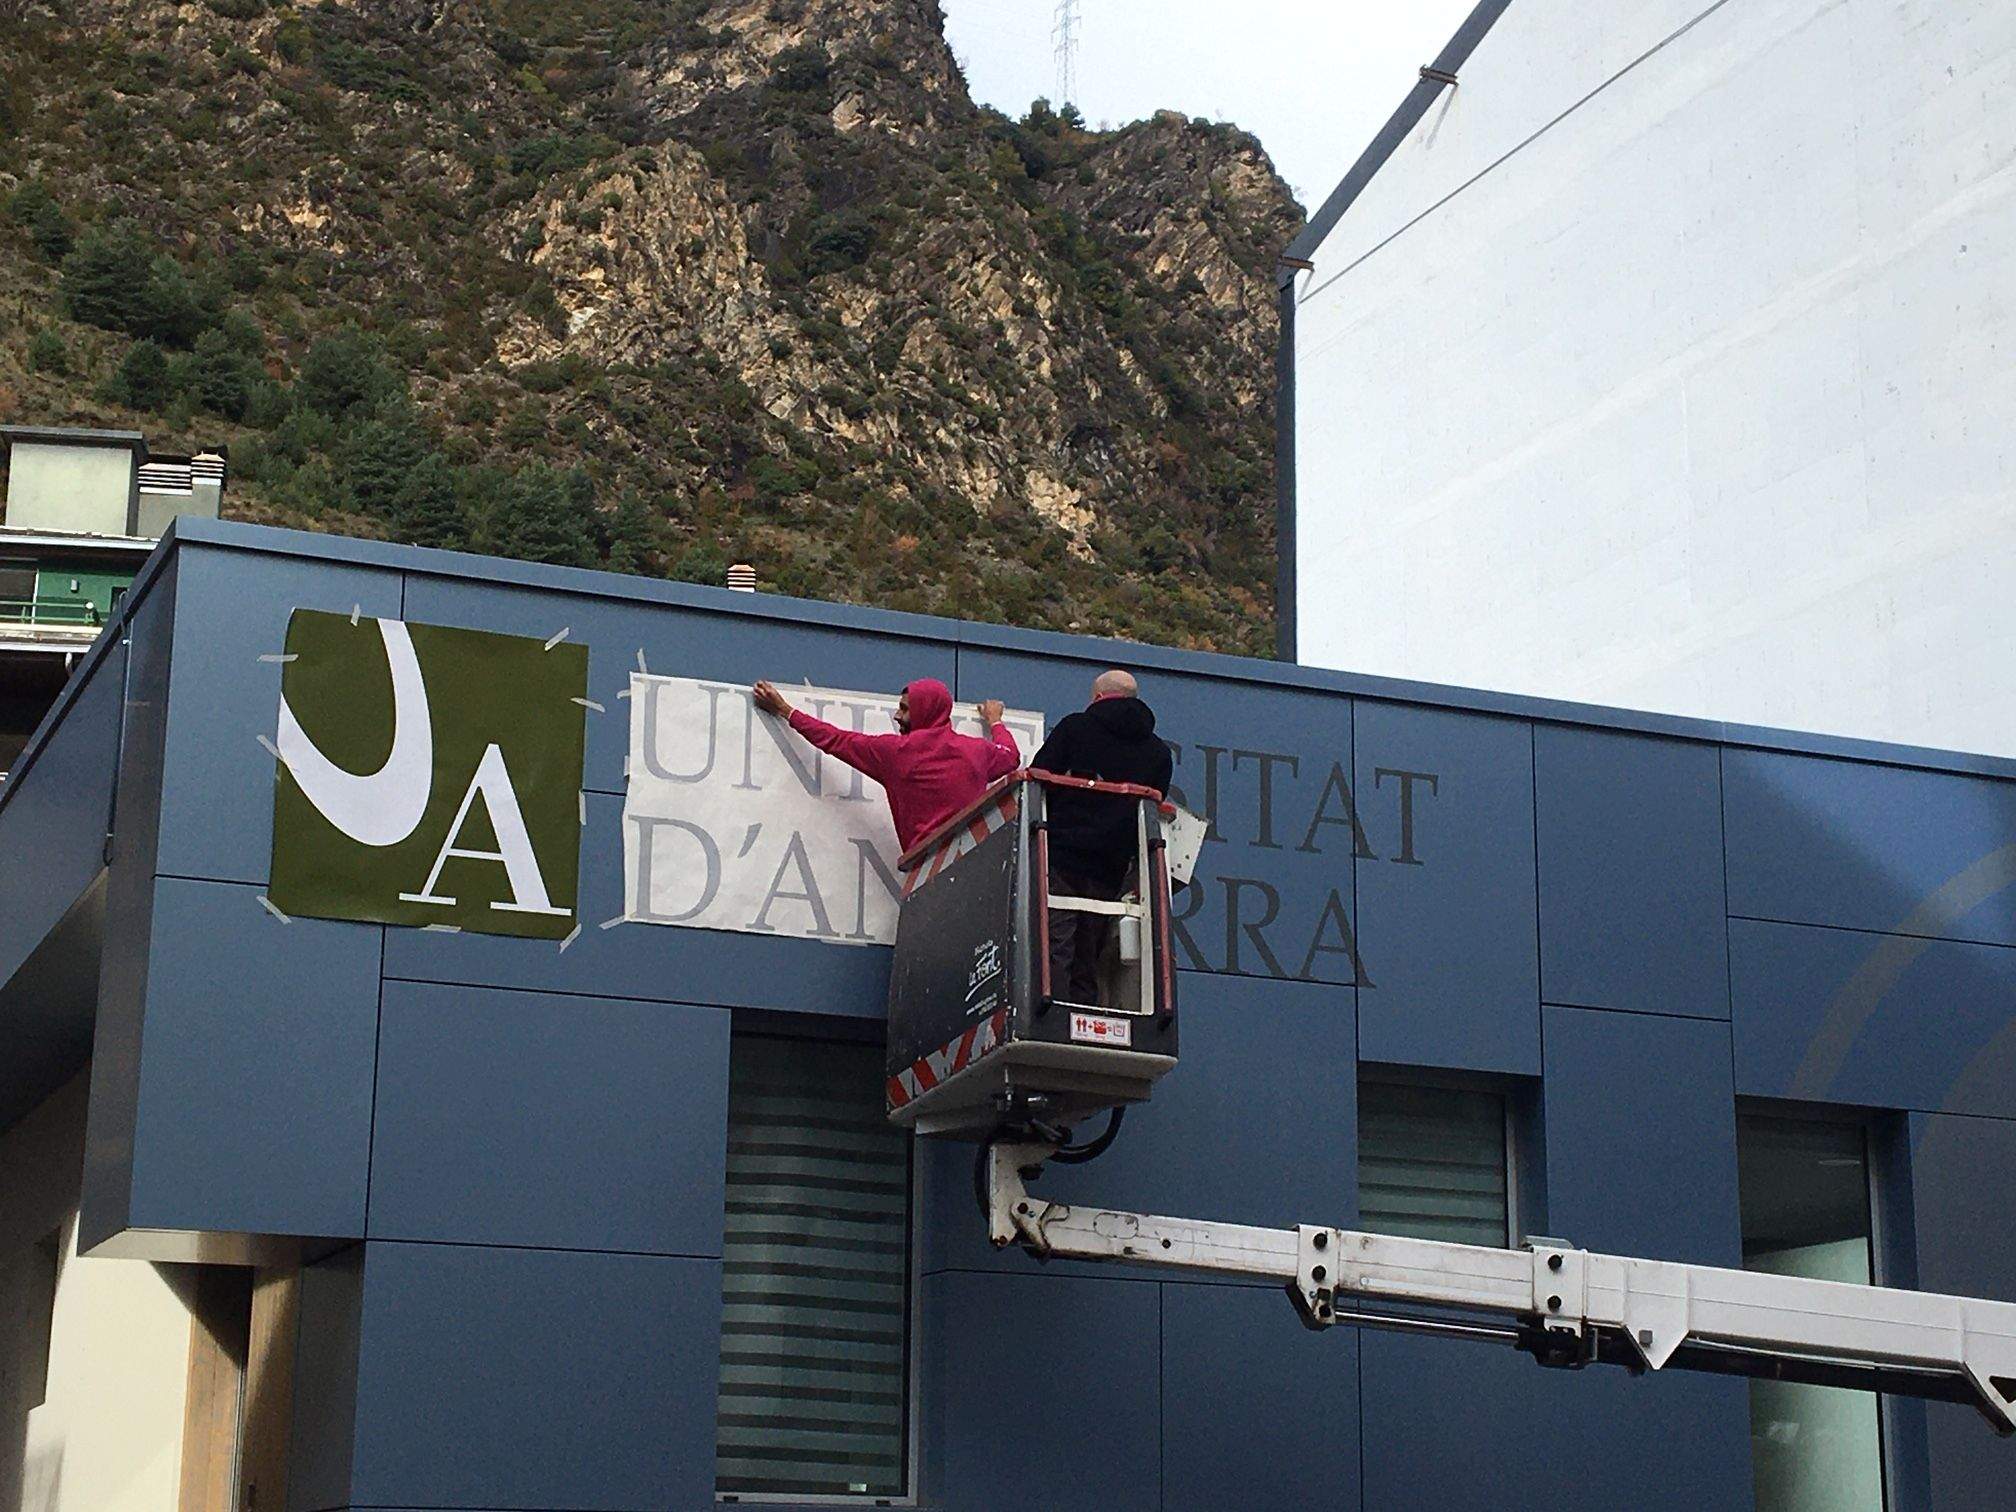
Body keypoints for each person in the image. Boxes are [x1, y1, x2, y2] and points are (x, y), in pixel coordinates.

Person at [1029, 669, 1174, 1006]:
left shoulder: (1075, 728)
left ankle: (1054, 1015)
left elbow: (1039, 777)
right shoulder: (1158, 753)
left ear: (1097, 697)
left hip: (1063, 854)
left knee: (1057, 942)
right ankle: (1084, 1011)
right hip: (1111, 863)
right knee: (1089, 951)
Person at [750, 677, 1020, 853]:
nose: (897, 715)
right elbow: (1010, 755)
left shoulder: (896, 753)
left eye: (904, 709)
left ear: (924, 711)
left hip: (925, 872)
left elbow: (834, 739)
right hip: (977, 867)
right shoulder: (977, 751)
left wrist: (785, 710)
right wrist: (995, 722)